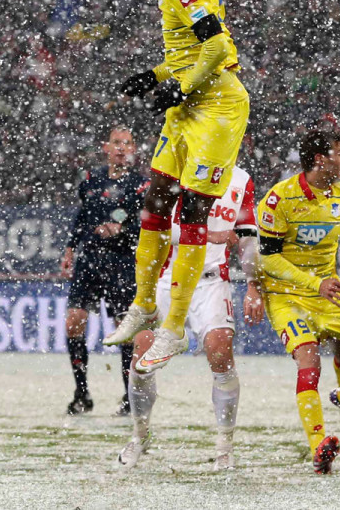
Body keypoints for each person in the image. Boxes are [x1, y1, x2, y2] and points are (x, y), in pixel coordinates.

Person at [103, 0, 251, 375]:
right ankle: (145, 303)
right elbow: (189, 52)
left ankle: (173, 327)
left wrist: (181, 86)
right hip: (189, 105)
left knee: (191, 213)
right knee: (156, 198)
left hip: (218, 107)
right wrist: (155, 75)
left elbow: (218, 46)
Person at [248, 130, 340, 474]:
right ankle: (318, 444)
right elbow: (268, 260)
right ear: (320, 159)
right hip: (288, 295)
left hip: (327, 293)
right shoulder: (279, 199)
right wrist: (314, 283)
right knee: (309, 362)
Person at [118, 166, 258, 470]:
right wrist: (213, 234)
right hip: (166, 278)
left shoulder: (242, 180)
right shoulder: (178, 169)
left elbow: (247, 234)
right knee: (142, 357)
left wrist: (253, 284)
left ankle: (224, 445)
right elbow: (158, 229)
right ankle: (140, 436)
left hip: (211, 281)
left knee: (221, 352)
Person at [59, 126, 146, 415]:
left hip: (121, 262)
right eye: (116, 143)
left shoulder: (140, 185)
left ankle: (128, 396)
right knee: (74, 321)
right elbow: (82, 216)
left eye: (128, 143)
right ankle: (81, 393)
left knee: (126, 331)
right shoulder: (89, 180)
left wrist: (124, 229)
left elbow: (146, 226)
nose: (122, 148)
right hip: (90, 260)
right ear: (106, 148)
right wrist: (71, 248)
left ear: (133, 150)